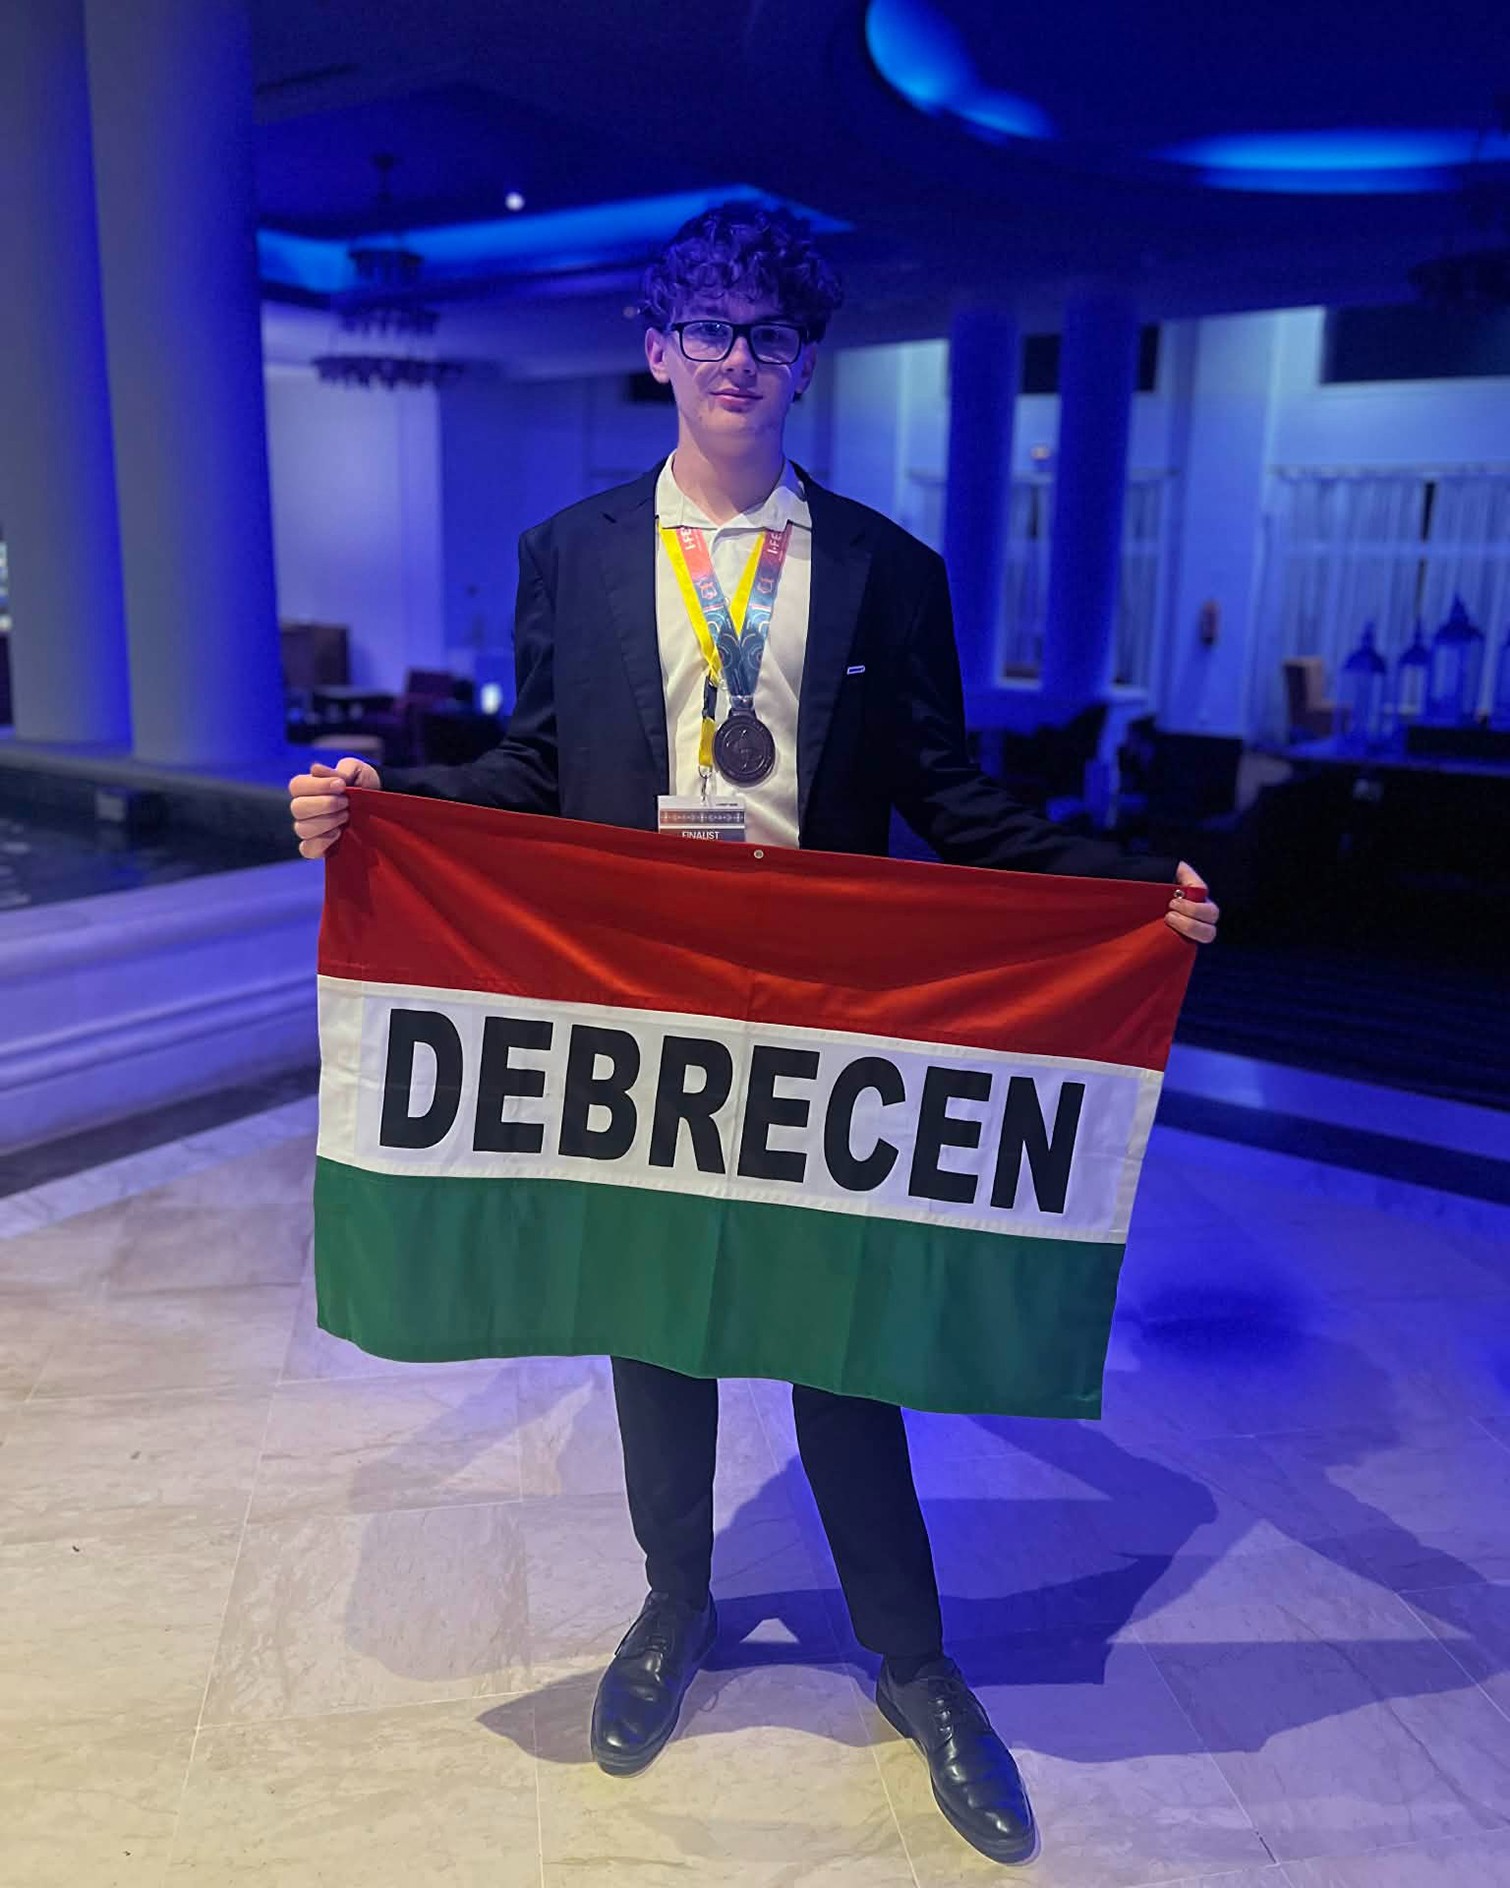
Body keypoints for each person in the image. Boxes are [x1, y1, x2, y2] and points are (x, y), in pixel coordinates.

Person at [289, 202, 1219, 1868]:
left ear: (803, 360)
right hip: (641, 998)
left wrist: (1124, 889)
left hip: (817, 1006)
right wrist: (383, 804)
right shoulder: (573, 551)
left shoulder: (883, 568)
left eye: (768, 332)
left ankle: (914, 1662)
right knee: (651, 1312)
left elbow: (946, 793)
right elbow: (532, 769)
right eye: (708, 327)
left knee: (839, 1327)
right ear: (657, 349)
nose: (737, 356)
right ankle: (673, 1608)